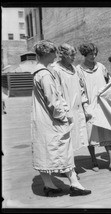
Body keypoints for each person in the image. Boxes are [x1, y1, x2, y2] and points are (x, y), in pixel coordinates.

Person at [31, 40, 91, 197]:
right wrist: (64, 117)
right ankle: (75, 184)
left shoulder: (40, 72)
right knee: (64, 149)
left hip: (42, 119)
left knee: (44, 150)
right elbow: (53, 100)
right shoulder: (45, 74)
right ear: (47, 54)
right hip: (52, 119)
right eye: (53, 53)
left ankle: (48, 184)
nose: (55, 55)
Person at [76, 43, 111, 172]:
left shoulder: (101, 67)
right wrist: (85, 106)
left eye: (95, 53)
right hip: (89, 104)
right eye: (91, 54)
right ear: (85, 54)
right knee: (91, 133)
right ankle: (93, 159)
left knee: (107, 131)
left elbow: (109, 83)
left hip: (102, 105)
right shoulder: (79, 70)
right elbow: (80, 90)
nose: (93, 56)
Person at [51, 44, 89, 177]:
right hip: (65, 110)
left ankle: (70, 166)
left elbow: (81, 88)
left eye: (74, 54)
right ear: (62, 55)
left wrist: (85, 106)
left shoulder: (74, 69)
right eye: (71, 55)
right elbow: (56, 93)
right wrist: (64, 111)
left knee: (74, 140)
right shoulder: (55, 69)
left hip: (77, 109)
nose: (74, 57)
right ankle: (66, 169)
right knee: (65, 140)